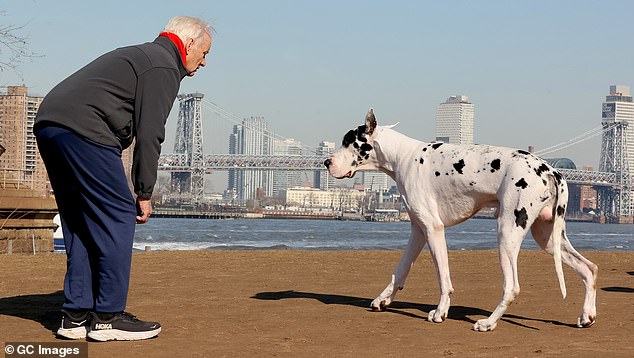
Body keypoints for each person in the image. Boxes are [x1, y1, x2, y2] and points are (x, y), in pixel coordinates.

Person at [34, 16, 213, 342]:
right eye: (204, 53)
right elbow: (150, 134)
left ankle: (75, 317)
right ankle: (107, 317)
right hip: (85, 128)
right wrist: (144, 191)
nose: (204, 62)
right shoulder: (163, 67)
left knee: (79, 220)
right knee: (117, 216)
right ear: (187, 45)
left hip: (50, 123)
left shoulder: (141, 54)